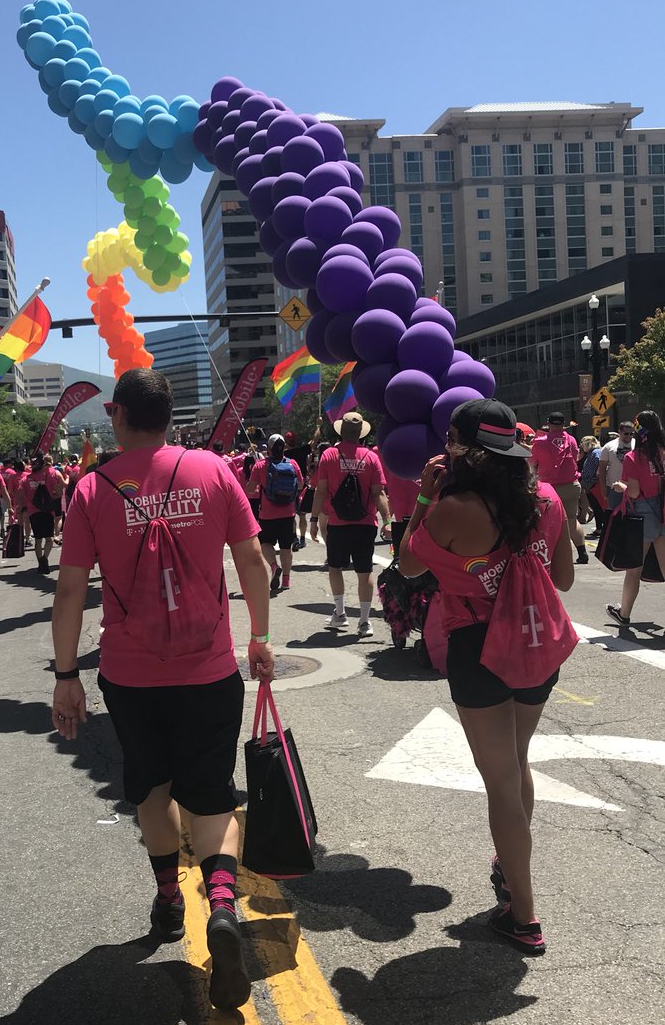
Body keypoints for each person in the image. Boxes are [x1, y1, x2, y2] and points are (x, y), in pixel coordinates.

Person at [52, 368, 273, 1012]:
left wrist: (67, 676)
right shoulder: (212, 470)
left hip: (130, 673)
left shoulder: (91, 489)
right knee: (211, 796)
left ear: (118, 415)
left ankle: (170, 899)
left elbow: (69, 590)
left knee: (152, 789)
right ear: (170, 414)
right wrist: (260, 637)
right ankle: (224, 905)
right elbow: (252, 563)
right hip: (208, 669)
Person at [398, 399, 574, 955]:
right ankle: (511, 862)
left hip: (480, 647)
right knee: (516, 763)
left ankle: (523, 915)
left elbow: (407, 565)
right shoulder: (544, 498)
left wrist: (423, 496)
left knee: (500, 778)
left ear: (461, 448)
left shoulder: (454, 509)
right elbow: (565, 578)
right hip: (537, 642)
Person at [310, 412, 390, 636]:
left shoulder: (329, 456)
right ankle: (364, 622)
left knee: (335, 567)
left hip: (337, 522)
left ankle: (340, 613)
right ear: (361, 433)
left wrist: (314, 519)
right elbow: (379, 493)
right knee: (365, 571)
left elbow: (321, 491)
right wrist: (388, 520)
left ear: (341, 432)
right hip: (366, 523)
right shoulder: (372, 458)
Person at [605, 410, 665, 628]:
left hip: (643, 514)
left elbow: (633, 492)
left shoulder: (633, 457)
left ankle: (624, 613)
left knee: (634, 569)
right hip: (663, 511)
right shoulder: (662, 454)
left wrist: (619, 485)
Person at [245, 434, 303, 593]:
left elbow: (250, 489)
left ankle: (273, 565)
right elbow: (301, 484)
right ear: (284, 447)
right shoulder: (292, 463)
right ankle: (286, 579)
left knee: (265, 543)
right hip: (288, 513)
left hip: (267, 515)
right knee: (286, 547)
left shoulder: (260, 466)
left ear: (269, 449)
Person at [530, 411, 587, 564]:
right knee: (572, 520)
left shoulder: (540, 441)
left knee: (548, 522)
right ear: (563, 424)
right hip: (571, 485)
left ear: (549, 424)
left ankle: (555, 556)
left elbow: (531, 463)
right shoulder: (572, 440)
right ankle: (582, 553)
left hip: (549, 488)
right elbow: (576, 458)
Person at [24, 453, 65, 574]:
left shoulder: (26, 479)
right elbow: (59, 492)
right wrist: (53, 496)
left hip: (33, 511)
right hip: (48, 510)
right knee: (49, 538)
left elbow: (23, 495)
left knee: (37, 539)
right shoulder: (50, 476)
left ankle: (40, 562)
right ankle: (44, 559)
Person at [597, 421, 635, 511]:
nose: (629, 436)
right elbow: (602, 469)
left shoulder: (637, 445)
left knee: (634, 518)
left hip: (633, 488)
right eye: (626, 434)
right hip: (615, 488)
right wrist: (603, 488)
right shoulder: (609, 447)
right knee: (615, 517)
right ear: (620, 432)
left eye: (631, 434)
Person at [577, 436, 606, 538]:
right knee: (596, 507)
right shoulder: (591, 453)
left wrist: (593, 481)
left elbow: (600, 466)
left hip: (594, 485)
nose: (581, 446)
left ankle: (601, 528)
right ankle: (599, 528)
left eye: (582, 443)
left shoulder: (596, 452)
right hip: (590, 485)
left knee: (598, 507)